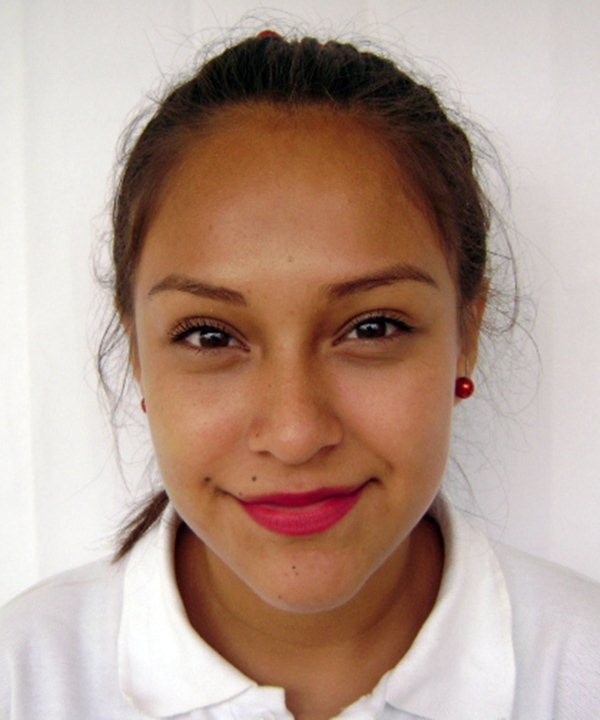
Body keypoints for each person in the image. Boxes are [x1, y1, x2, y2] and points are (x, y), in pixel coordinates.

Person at [1, 31, 598, 720]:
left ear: (467, 334)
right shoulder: (24, 679)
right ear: (137, 351)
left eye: (372, 328)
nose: (294, 435)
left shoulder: (581, 671)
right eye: (210, 336)